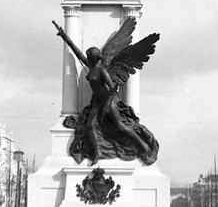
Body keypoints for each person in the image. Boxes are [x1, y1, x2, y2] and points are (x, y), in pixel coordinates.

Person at [53, 17, 160, 165]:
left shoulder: (103, 71)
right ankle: (98, 152)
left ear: (94, 57)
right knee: (90, 126)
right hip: (97, 102)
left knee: (120, 126)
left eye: (88, 54)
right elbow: (78, 55)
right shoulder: (92, 67)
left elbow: (113, 89)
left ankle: (144, 146)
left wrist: (106, 106)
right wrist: (65, 37)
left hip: (109, 102)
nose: (86, 56)